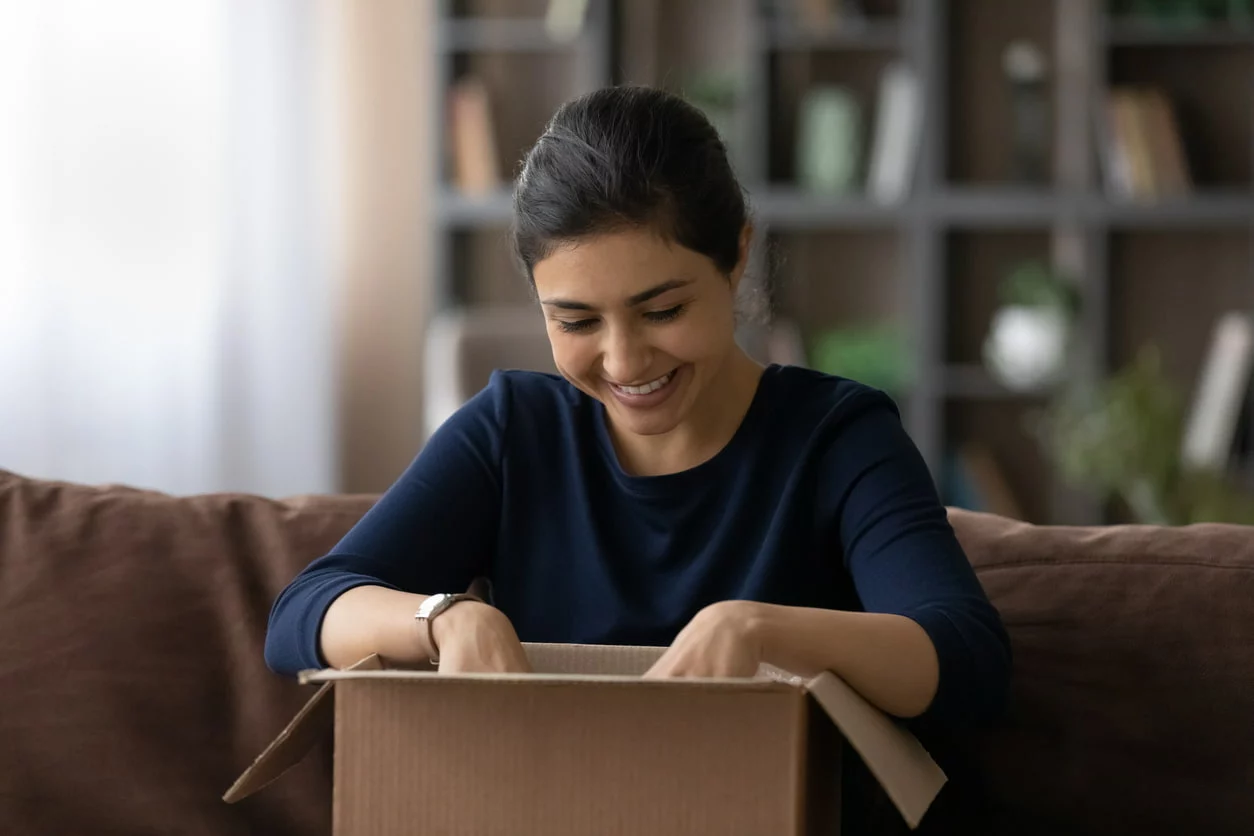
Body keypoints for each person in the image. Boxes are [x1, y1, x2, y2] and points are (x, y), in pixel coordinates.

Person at [265, 85, 1010, 827]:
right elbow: (303, 611)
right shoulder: (513, 431)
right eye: (577, 320)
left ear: (737, 257)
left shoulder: (839, 437)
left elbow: (967, 659)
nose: (623, 361)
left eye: (662, 311)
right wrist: (446, 619)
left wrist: (759, 630)